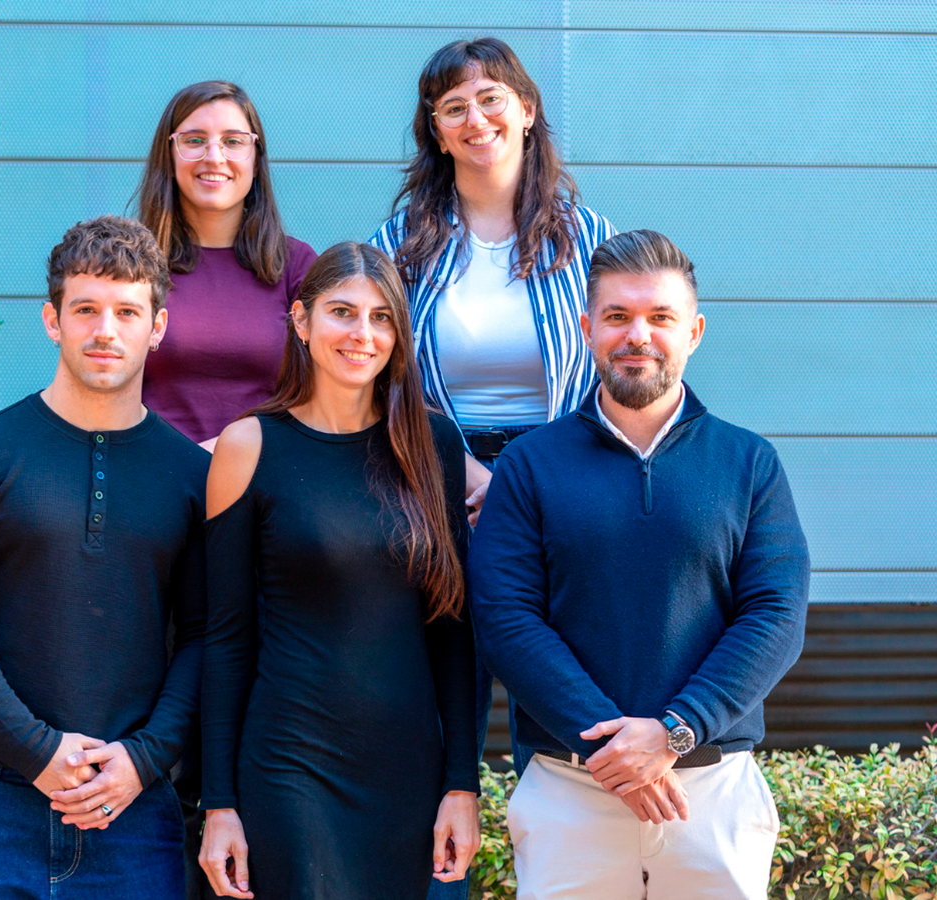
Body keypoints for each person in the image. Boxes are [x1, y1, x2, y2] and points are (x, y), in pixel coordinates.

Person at [470, 230, 811, 899]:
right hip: (570, 791)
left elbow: (776, 615)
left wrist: (675, 731)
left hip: (711, 790)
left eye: (660, 317)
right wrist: (614, 748)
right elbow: (506, 618)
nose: (638, 335)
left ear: (694, 332)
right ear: (587, 329)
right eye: (618, 316)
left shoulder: (749, 463)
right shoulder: (529, 465)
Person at [0, 216, 209, 899]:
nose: (106, 330)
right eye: (85, 309)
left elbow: (206, 633)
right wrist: (37, 750)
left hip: (131, 817)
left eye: (127, 312)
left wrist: (146, 758)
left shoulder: (192, 477)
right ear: (53, 320)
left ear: (157, 327)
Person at [369, 37, 615, 817]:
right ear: (436, 132)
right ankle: (441, 864)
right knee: (444, 698)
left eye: (490, 99)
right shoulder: (397, 246)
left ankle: (569, 849)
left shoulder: (591, 237)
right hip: (436, 487)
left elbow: (615, 370)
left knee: (563, 687)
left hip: (563, 485)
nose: (475, 119)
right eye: (454, 108)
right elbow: (376, 374)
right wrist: (460, 468)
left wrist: (528, 478)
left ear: (527, 110)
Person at [198, 242, 480, 899]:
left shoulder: (432, 444)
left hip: (404, 768)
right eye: (342, 312)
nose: (362, 334)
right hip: (291, 765)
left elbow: (452, 629)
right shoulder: (249, 446)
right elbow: (225, 638)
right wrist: (220, 805)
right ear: (301, 320)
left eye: (382, 318)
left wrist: (461, 784)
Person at [136, 80, 317, 450]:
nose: (214, 157)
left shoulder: (297, 266)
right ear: (169, 155)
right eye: (194, 140)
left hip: (266, 472)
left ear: (256, 159)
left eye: (233, 141)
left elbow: (324, 397)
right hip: (152, 471)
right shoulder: (133, 264)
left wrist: (226, 452)